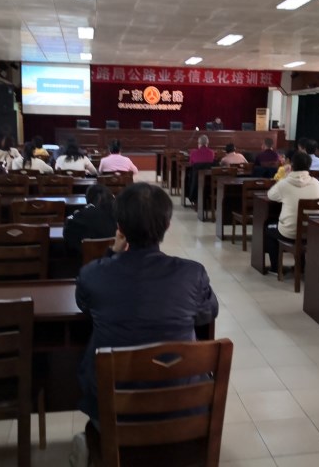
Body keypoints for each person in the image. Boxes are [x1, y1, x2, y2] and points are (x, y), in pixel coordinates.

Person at [72, 183, 218, 465]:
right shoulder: (192, 273)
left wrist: (112, 255)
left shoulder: (93, 274)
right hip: (184, 410)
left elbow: (83, 305)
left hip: (114, 414)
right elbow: (207, 314)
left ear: (119, 227)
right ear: (167, 225)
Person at [265, 152, 319, 274]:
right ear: (309, 166)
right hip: (311, 231)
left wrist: (285, 177)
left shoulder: (285, 183)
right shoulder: (316, 183)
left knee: (268, 228)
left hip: (289, 232)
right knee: (299, 225)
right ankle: (300, 266)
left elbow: (270, 195)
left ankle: (275, 268)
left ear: (292, 165)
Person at [63, 185, 116, 263]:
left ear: (87, 199)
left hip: (84, 264)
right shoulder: (120, 216)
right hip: (116, 263)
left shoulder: (79, 217)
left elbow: (68, 236)